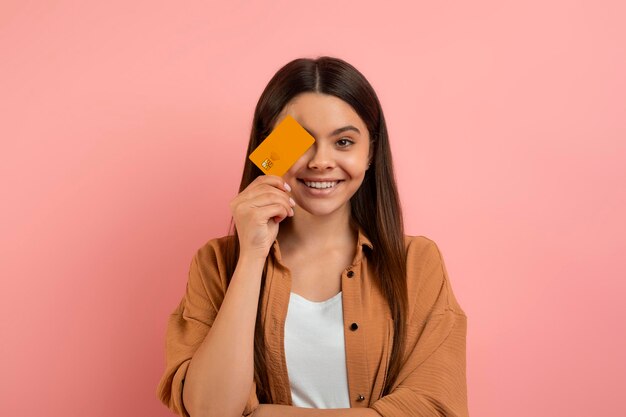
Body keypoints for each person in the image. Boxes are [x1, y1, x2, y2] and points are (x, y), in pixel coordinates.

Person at [157, 56, 469, 417]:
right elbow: (211, 411)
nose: (321, 161)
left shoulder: (416, 263)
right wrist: (252, 255)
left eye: (344, 142)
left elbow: (434, 408)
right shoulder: (216, 263)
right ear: (268, 150)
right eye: (301, 141)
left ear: (370, 152)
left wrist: (260, 414)